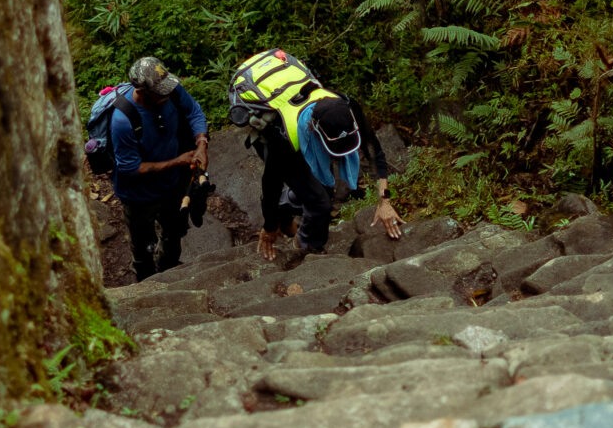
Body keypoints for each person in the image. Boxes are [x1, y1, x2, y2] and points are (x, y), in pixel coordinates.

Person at [228, 49, 403, 270]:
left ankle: (289, 205)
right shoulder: (284, 139)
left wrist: (384, 201)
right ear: (314, 131)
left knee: (321, 190)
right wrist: (270, 227)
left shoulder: (347, 108)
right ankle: (307, 248)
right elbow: (270, 184)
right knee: (320, 202)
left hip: (306, 135)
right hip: (279, 138)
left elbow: (374, 152)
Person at [108, 55, 208, 280]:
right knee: (143, 246)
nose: (167, 93)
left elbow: (194, 112)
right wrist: (178, 161)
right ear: (142, 92)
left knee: (174, 233)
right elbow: (130, 167)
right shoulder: (123, 121)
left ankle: (170, 273)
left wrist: (201, 143)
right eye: (160, 91)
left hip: (172, 185)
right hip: (139, 196)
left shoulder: (170, 90)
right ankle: (146, 281)